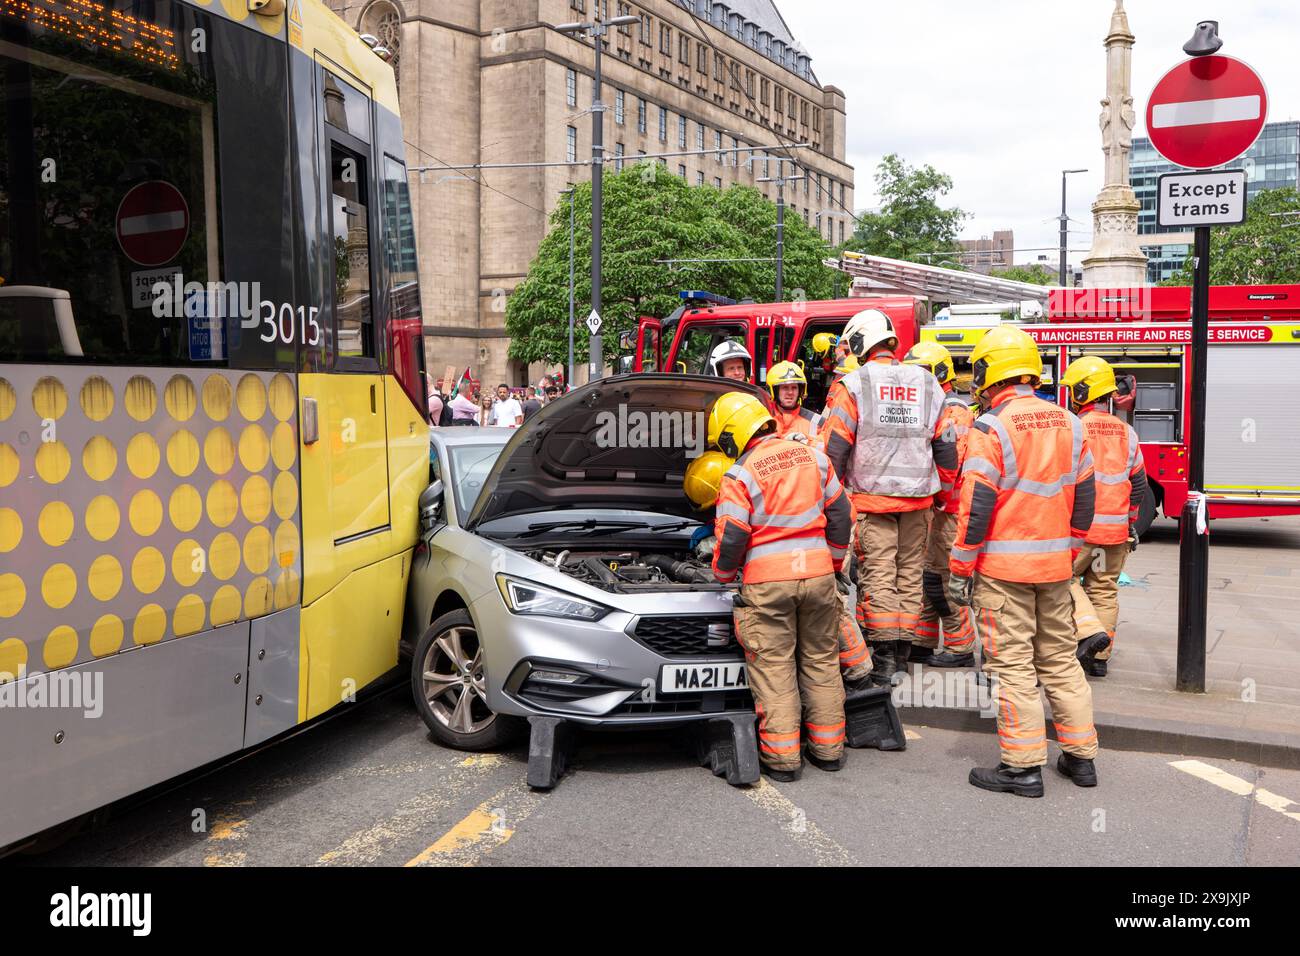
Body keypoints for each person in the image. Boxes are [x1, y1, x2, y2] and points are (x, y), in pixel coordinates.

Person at [948, 325, 1099, 797]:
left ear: (990, 374)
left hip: (1003, 573)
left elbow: (975, 509)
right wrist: (1071, 549)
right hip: (1055, 568)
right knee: (1059, 661)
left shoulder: (991, 427)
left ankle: (1022, 767)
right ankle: (1080, 758)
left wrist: (959, 569)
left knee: (1012, 667)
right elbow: (1087, 495)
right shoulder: (1069, 422)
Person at [710, 392, 853, 781]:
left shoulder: (739, 474)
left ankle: (784, 759)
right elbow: (841, 515)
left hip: (768, 584)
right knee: (822, 661)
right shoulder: (814, 457)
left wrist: (722, 576)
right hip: (820, 575)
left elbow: (734, 535)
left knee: (774, 669)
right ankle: (829, 750)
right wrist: (834, 561)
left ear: (732, 436)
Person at [820, 309, 959, 686]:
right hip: (919, 503)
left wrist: (830, 500)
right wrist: (944, 492)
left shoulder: (855, 385)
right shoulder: (927, 383)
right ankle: (902, 656)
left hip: (872, 501)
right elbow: (946, 446)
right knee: (910, 578)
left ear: (863, 342)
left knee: (879, 578)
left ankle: (883, 659)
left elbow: (835, 448)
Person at [1059, 356, 1148, 678]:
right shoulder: (1127, 432)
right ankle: (1099, 659)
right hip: (1114, 535)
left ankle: (1088, 632)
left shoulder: (1073, 429)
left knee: (1062, 581)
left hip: (1080, 532)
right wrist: (1130, 521)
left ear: (1081, 392)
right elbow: (1138, 483)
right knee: (1105, 590)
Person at [903, 341, 976, 667]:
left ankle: (960, 648)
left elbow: (951, 461)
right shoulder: (934, 407)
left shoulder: (953, 411)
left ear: (940, 374)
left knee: (944, 579)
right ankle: (922, 640)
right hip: (938, 509)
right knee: (928, 576)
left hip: (950, 511)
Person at [765, 361, 824, 446]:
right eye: (785, 387)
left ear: (800, 391)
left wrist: (808, 441)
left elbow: (829, 447)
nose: (790, 392)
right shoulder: (763, 420)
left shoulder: (818, 422)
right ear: (774, 391)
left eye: (794, 388)